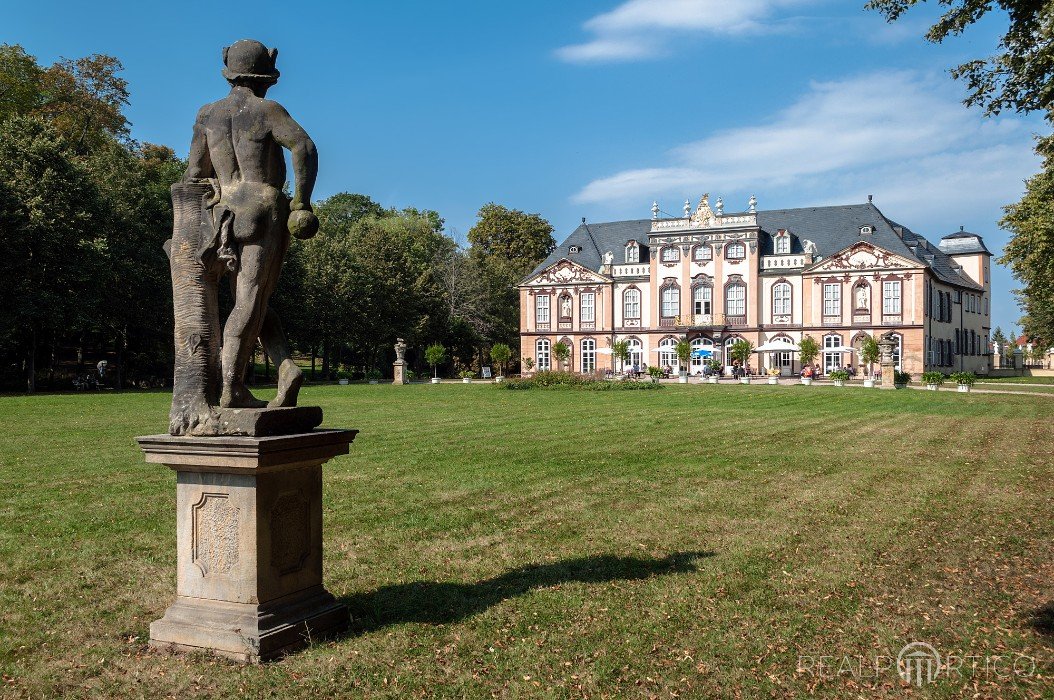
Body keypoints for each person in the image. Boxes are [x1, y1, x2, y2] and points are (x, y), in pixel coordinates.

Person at [184, 39, 318, 409]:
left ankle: (285, 365)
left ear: (230, 73)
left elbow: (195, 174)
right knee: (250, 300)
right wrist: (302, 202)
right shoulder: (267, 110)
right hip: (262, 208)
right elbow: (304, 147)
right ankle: (231, 388)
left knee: (253, 300)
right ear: (266, 76)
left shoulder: (207, 115)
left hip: (223, 213)